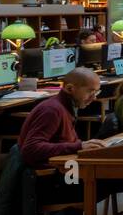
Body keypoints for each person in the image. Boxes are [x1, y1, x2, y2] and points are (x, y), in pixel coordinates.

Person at [16, 68, 110, 205]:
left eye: (96, 92)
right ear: (70, 88)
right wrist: (79, 146)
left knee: (116, 177)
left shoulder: (65, 107)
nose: (94, 97)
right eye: (90, 91)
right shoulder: (52, 110)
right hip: (52, 183)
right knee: (118, 179)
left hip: (65, 172)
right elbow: (30, 149)